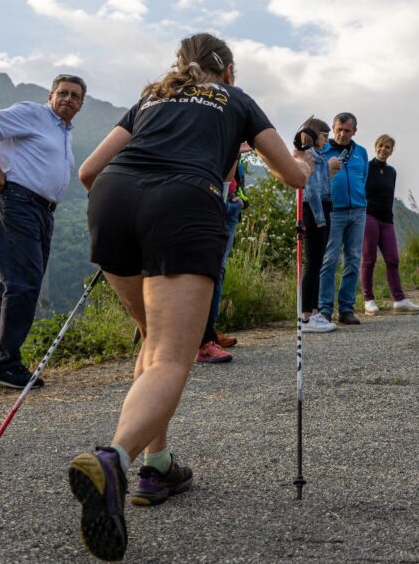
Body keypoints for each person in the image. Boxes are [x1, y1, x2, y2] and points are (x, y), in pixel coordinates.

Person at [72, 33, 310, 559]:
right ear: (227, 70)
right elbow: (290, 175)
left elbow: (88, 171)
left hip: (113, 200)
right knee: (172, 357)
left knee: (152, 340)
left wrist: (130, 216)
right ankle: (114, 458)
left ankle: (156, 469)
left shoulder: (151, 97)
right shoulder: (237, 100)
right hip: (184, 203)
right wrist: (307, 162)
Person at [0, 73, 87, 389]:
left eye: (75, 96)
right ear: (50, 97)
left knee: (13, 287)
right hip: (17, 201)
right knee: (24, 284)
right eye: (62, 93)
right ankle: (6, 365)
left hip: (41, 211)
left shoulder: (64, 133)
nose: (68, 99)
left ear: (81, 105)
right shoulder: (33, 113)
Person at [361, 134, 419, 314]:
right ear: (375, 147)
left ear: (391, 151)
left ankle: (400, 300)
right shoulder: (367, 167)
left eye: (387, 147)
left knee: (393, 259)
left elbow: (389, 196)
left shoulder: (391, 171)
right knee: (369, 259)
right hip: (368, 216)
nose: (383, 149)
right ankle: (368, 299)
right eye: (380, 146)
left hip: (386, 219)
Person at [319, 112, 370, 326]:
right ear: (333, 128)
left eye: (347, 130)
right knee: (329, 260)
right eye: (338, 129)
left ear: (354, 131)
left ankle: (346, 309)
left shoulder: (361, 152)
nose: (342, 134)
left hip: (358, 211)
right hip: (334, 211)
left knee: (353, 260)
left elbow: (363, 178)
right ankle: (324, 309)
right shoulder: (323, 151)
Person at [194, 153, 246, 363]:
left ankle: (209, 334)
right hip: (209, 200)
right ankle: (202, 339)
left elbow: (235, 177)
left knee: (218, 270)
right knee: (207, 269)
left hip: (227, 202)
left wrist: (241, 200)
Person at [299, 117, 340, 333]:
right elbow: (312, 190)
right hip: (314, 211)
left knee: (317, 261)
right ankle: (306, 315)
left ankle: (314, 312)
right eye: (325, 135)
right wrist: (319, 217)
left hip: (321, 209)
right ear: (316, 135)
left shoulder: (318, 157)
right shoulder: (309, 156)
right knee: (312, 263)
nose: (327, 140)